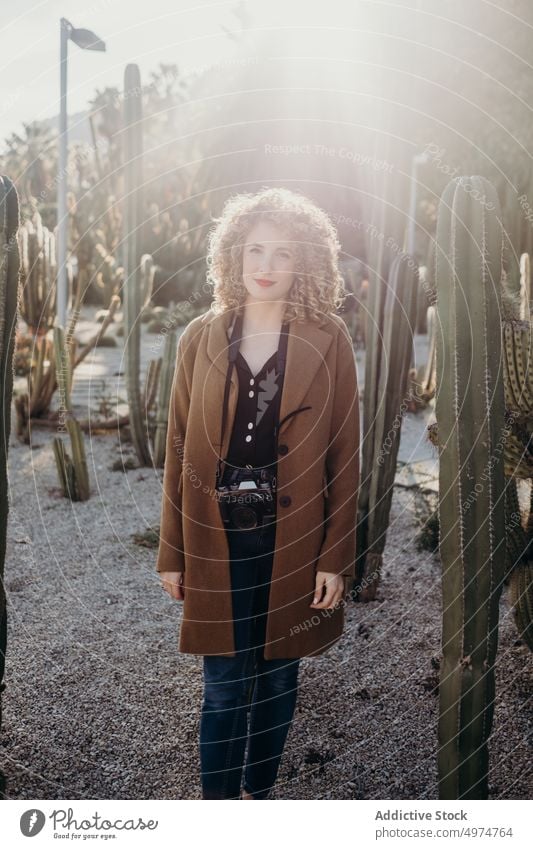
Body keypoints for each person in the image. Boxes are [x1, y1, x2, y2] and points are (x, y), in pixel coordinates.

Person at [156, 186, 360, 800]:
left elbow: (345, 462)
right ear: (233, 257)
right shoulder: (200, 337)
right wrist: (172, 552)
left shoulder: (331, 343)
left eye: (283, 253)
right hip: (215, 535)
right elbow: (174, 447)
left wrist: (335, 558)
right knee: (222, 679)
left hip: (292, 539)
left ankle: (257, 797)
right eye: (254, 250)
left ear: (306, 264)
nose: (266, 266)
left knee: (276, 678)